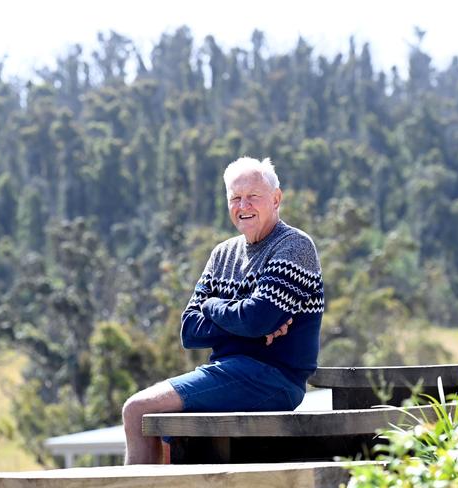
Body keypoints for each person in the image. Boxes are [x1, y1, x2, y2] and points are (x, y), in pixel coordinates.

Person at [122, 156, 324, 464]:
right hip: (226, 373)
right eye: (236, 198)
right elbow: (189, 330)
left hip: (272, 379)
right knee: (155, 423)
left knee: (137, 410)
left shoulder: (294, 246)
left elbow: (255, 318)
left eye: (253, 197)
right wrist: (250, 325)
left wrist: (214, 306)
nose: (244, 206)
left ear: (276, 198)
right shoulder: (222, 254)